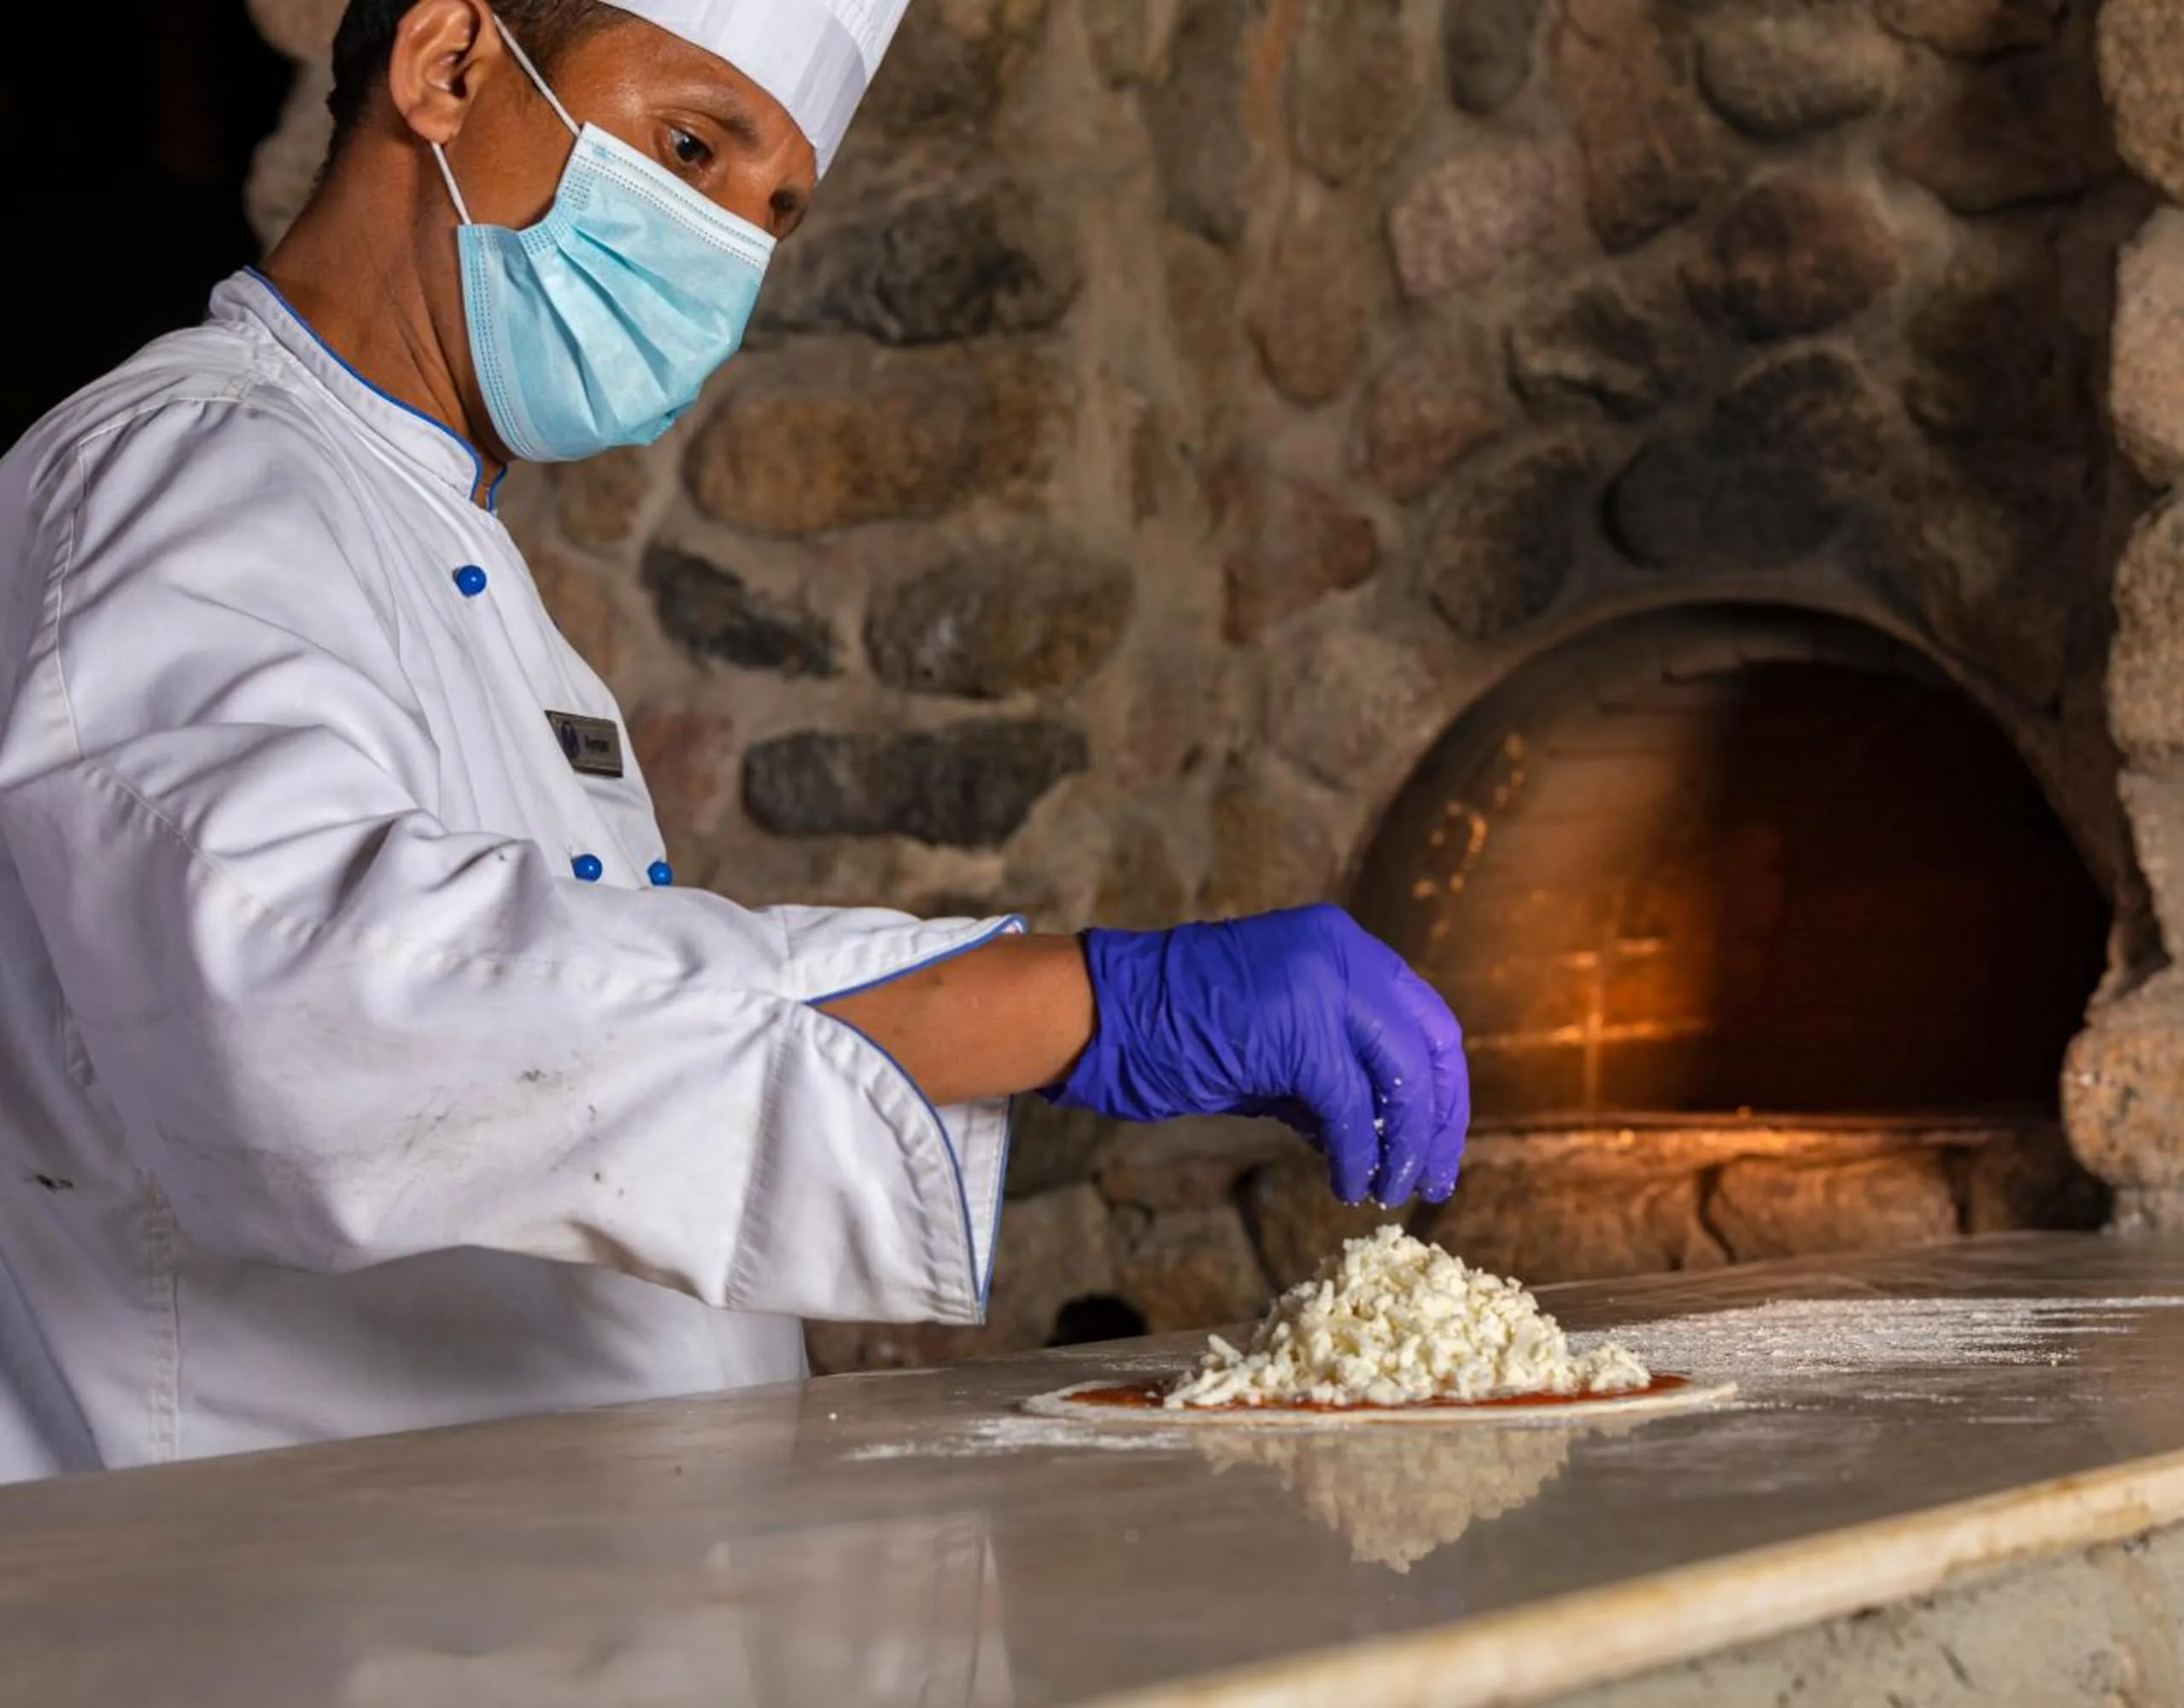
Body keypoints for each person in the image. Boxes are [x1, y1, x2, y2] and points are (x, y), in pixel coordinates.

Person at [0, 0, 1469, 1483]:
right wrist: (1065, 1005)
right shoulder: (182, 480)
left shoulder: (435, 537)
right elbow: (314, 1007)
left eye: (771, 211)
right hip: (279, 1615)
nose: (719, 255)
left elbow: (566, 1074)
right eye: (687, 144)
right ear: (446, 68)